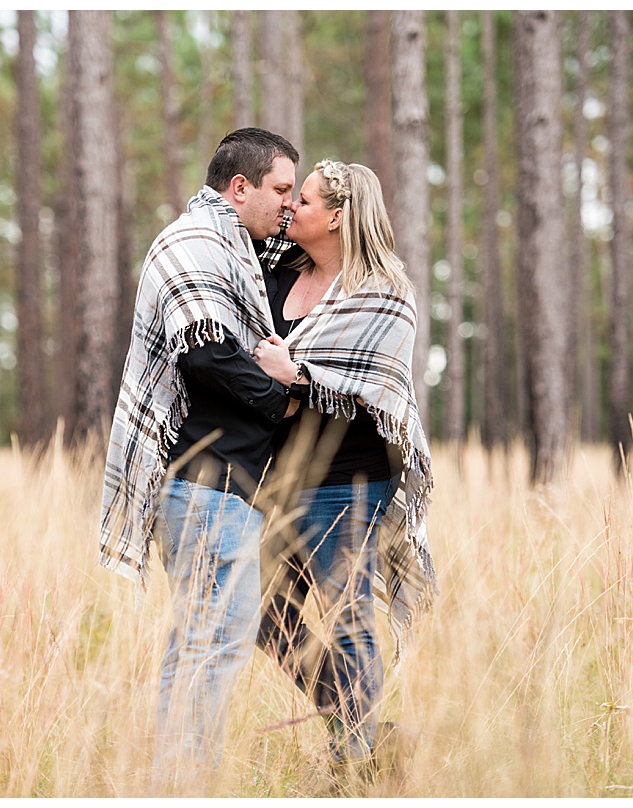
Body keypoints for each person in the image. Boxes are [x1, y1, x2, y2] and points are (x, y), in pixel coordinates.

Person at [98, 128, 301, 785]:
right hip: (206, 486)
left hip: (213, 491)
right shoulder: (193, 242)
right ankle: (188, 780)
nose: (289, 205)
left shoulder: (234, 249)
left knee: (199, 643)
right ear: (238, 188)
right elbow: (206, 353)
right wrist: (284, 400)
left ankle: (175, 778)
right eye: (279, 190)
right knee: (214, 646)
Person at [251, 160, 436, 775]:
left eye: (300, 201)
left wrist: (298, 376)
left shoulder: (384, 291)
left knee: (346, 614)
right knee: (257, 610)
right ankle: (361, 725)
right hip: (277, 478)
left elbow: (373, 387)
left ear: (336, 216)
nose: (289, 210)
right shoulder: (275, 273)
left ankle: (352, 763)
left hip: (351, 479)